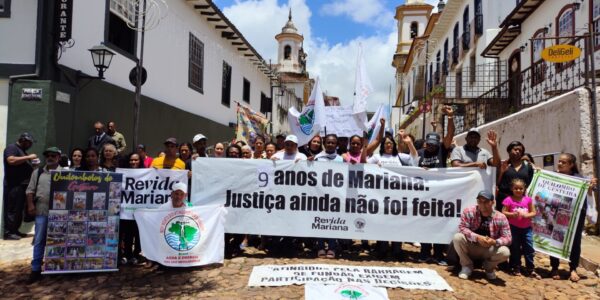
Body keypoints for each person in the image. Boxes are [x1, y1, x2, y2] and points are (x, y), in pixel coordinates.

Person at [549, 153, 597, 282]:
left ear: (571, 165)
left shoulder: (579, 179)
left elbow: (587, 195)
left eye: (563, 162)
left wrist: (590, 187)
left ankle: (573, 268)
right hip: (557, 213)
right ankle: (554, 267)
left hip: (576, 215)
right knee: (555, 238)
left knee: (575, 242)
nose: (559, 164)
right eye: (559, 161)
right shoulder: (553, 176)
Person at [418, 105, 455, 265]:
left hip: (441, 194)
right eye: (429, 143)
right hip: (425, 195)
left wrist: (450, 118)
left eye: (434, 143)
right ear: (426, 143)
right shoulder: (420, 154)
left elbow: (450, 134)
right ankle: (425, 252)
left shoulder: (442, 150)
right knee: (426, 223)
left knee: (440, 224)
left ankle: (439, 254)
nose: (431, 146)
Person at [452, 190, 511, 280]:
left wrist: (494, 242)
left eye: (486, 202)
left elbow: (508, 237)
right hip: (472, 245)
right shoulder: (469, 211)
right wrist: (477, 237)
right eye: (480, 201)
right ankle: (467, 266)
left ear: (493, 202)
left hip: (489, 248)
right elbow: (462, 228)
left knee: (505, 252)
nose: (482, 204)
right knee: (457, 237)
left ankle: (488, 268)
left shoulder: (501, 217)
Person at [25, 147, 63, 283]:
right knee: (39, 240)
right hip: (41, 211)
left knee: (57, 240)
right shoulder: (38, 172)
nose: (50, 157)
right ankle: (35, 269)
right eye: (48, 155)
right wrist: (30, 205)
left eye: (53, 155)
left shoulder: (64, 173)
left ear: (59, 157)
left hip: (59, 214)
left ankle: (54, 268)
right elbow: (30, 190)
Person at [501, 179, 539, 279]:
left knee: (529, 247)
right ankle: (516, 266)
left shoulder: (528, 200)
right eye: (516, 188)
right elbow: (503, 211)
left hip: (527, 228)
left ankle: (530, 267)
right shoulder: (508, 199)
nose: (518, 190)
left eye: (521, 188)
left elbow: (534, 212)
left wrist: (527, 215)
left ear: (524, 189)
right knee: (515, 247)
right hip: (513, 228)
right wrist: (512, 214)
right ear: (512, 189)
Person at [314, 134, 343, 258]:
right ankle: (320, 246)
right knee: (320, 220)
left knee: (333, 221)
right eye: (328, 142)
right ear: (324, 144)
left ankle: (332, 247)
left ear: (336, 145)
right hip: (320, 195)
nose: (330, 145)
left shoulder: (341, 160)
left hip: (335, 196)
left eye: (333, 143)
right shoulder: (317, 158)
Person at [3, 132, 37, 240]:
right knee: (12, 208)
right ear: (23, 140)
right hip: (14, 185)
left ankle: (15, 230)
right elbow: (11, 160)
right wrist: (28, 157)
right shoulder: (12, 148)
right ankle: (8, 232)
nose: (30, 145)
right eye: (29, 143)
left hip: (22, 186)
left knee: (19, 209)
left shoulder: (22, 151)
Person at [120, 152, 144, 266]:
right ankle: (127, 255)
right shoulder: (123, 173)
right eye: (131, 160)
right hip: (127, 210)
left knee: (138, 234)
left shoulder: (146, 173)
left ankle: (136, 255)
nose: (133, 162)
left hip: (140, 210)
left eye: (136, 160)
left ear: (140, 161)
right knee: (128, 234)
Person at [496, 141, 534, 212]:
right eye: (515, 149)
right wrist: (501, 172)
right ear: (509, 151)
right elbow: (497, 183)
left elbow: (531, 183)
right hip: (504, 201)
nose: (518, 152)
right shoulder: (504, 165)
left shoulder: (528, 167)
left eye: (520, 150)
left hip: (521, 202)